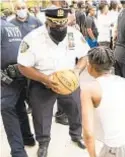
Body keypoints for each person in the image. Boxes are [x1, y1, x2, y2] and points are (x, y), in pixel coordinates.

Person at [17, 7, 89, 157]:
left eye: (63, 24)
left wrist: (76, 71)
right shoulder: (33, 38)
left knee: (76, 110)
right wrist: (45, 79)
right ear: (47, 22)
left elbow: (84, 56)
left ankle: (76, 135)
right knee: (41, 116)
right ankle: (43, 144)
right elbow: (23, 66)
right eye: (56, 25)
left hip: (70, 82)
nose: (60, 28)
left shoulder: (73, 34)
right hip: (42, 83)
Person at [81, 46, 125, 157]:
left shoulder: (89, 89)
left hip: (116, 148)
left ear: (89, 66)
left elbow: (88, 133)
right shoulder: (123, 82)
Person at [1, 18, 28, 157]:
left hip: (6, 76)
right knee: (19, 106)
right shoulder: (12, 26)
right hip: (20, 72)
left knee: (6, 108)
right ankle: (28, 137)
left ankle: (18, 152)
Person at [10, 0, 42, 116]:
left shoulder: (35, 21)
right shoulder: (11, 23)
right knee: (23, 83)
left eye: (23, 7)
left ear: (27, 8)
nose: (21, 10)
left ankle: (35, 104)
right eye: (18, 8)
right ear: (15, 10)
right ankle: (27, 102)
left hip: (35, 57)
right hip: (20, 58)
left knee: (34, 82)